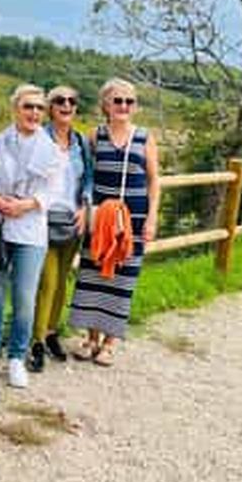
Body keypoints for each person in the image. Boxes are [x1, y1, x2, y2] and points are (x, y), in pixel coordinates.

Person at [0, 83, 65, 389]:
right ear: (16, 109)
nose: (34, 113)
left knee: (24, 297)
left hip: (30, 230)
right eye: (28, 106)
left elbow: (53, 191)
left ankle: (16, 357)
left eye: (39, 108)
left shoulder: (51, 150)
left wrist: (24, 205)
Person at [69, 78, 160, 366]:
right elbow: (85, 176)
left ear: (135, 106)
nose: (123, 106)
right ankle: (91, 338)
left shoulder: (145, 137)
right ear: (106, 105)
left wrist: (152, 218)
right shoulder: (95, 136)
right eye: (117, 100)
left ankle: (110, 342)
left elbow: (154, 180)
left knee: (122, 278)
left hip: (133, 219)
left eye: (129, 101)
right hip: (100, 218)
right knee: (93, 274)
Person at [28, 84, 93, 373]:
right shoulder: (38, 138)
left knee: (62, 281)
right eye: (59, 100)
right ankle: (36, 341)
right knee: (47, 282)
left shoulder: (80, 142)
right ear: (50, 107)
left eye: (71, 101)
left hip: (72, 221)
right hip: (43, 220)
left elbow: (88, 178)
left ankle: (52, 332)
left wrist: (85, 205)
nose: (66, 105)